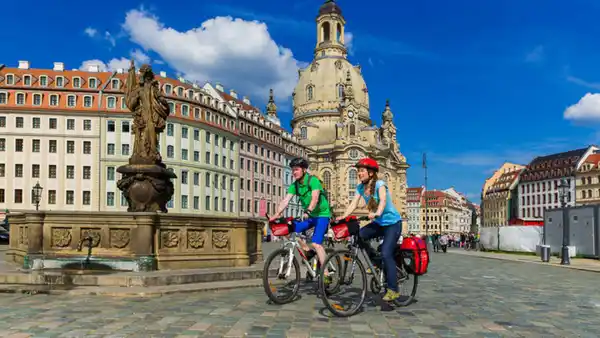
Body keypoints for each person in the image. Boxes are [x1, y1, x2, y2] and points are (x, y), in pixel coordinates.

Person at [336, 157, 403, 302]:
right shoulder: (360, 188)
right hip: (379, 224)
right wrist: (343, 217)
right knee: (359, 235)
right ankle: (376, 262)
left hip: (392, 224)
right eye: (358, 171)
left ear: (371, 173)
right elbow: (353, 204)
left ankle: (393, 289)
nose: (359, 173)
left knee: (386, 253)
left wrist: (378, 212)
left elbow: (383, 201)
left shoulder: (380, 184)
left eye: (361, 171)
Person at [270, 157, 333, 282]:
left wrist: (309, 210)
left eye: (296, 169)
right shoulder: (295, 186)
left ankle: (326, 274)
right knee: (287, 229)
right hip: (309, 217)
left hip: (322, 215)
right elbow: (286, 200)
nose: (294, 172)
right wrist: (276, 214)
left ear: (304, 170)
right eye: (293, 170)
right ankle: (307, 250)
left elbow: (315, 197)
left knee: (316, 243)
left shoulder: (313, 180)